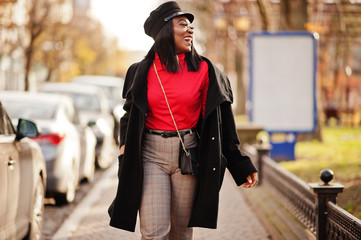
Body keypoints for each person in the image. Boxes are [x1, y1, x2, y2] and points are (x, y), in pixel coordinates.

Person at [108, 1, 258, 239]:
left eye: (191, 26)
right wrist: (124, 148)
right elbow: (130, 113)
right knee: (154, 232)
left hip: (189, 155)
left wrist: (240, 164)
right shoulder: (140, 71)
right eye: (182, 24)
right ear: (164, 31)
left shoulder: (206, 71)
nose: (190, 30)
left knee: (181, 232)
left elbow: (223, 124)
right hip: (149, 154)